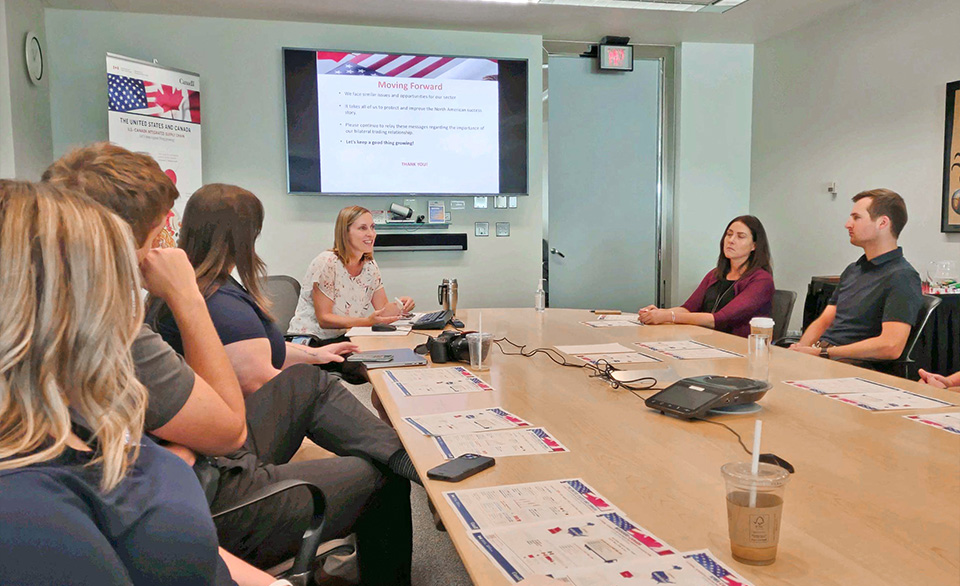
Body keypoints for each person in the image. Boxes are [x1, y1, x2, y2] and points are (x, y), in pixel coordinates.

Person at [43, 144, 414, 585]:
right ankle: (404, 469)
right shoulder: (120, 330)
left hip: (191, 471)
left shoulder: (77, 314)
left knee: (308, 381)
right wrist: (185, 296)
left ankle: (407, 457)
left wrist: (178, 451)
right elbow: (227, 430)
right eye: (161, 226)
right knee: (378, 480)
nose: (169, 236)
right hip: (209, 495)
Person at [0, 180, 244, 585]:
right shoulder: (23, 508)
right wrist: (188, 298)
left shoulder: (68, 413)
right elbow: (230, 431)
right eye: (111, 274)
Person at [791, 189, 922, 361]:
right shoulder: (853, 270)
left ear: (882, 223)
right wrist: (800, 350)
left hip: (854, 365)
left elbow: (891, 346)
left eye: (856, 217)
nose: (847, 224)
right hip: (825, 357)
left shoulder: (902, 276)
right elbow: (824, 321)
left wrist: (824, 353)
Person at [288, 205, 415, 343]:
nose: (371, 234)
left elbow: (382, 311)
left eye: (372, 227)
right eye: (362, 228)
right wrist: (367, 322)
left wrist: (400, 306)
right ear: (345, 232)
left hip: (345, 336)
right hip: (312, 341)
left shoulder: (370, 265)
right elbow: (324, 319)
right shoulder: (327, 263)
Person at [638, 215, 775, 337]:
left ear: (754, 246)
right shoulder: (715, 274)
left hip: (739, 347)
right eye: (729, 234)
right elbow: (688, 308)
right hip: (706, 341)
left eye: (740, 236)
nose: (731, 240)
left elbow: (719, 319)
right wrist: (657, 313)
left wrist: (668, 316)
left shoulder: (761, 280)